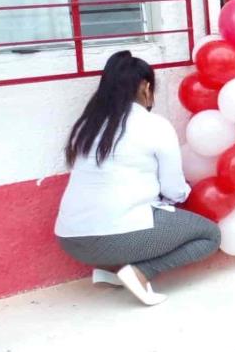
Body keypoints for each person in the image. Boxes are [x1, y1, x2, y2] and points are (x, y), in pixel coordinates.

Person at [55, 51, 220, 306]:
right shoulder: (153, 125)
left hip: (70, 240)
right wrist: (185, 195)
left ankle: (112, 272)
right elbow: (174, 190)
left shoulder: (87, 125)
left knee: (131, 218)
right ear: (145, 87)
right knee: (210, 235)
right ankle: (140, 273)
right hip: (116, 240)